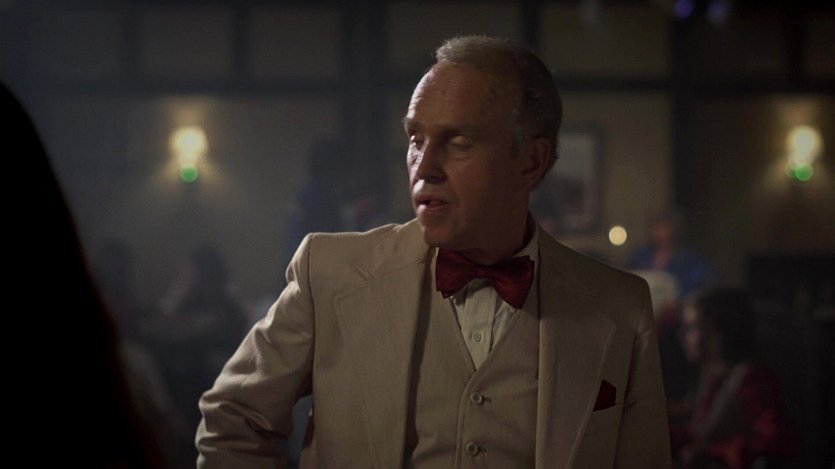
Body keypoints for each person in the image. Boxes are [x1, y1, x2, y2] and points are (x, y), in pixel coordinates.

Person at [197, 35, 670, 468]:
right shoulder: (331, 273)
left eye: (458, 142)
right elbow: (232, 422)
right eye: (415, 140)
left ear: (531, 161)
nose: (424, 167)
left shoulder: (619, 307)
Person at [676, 288, 797, 469]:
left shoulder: (751, 380)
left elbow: (776, 441)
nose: (682, 336)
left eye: (692, 327)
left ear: (719, 331)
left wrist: (712, 452)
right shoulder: (712, 378)